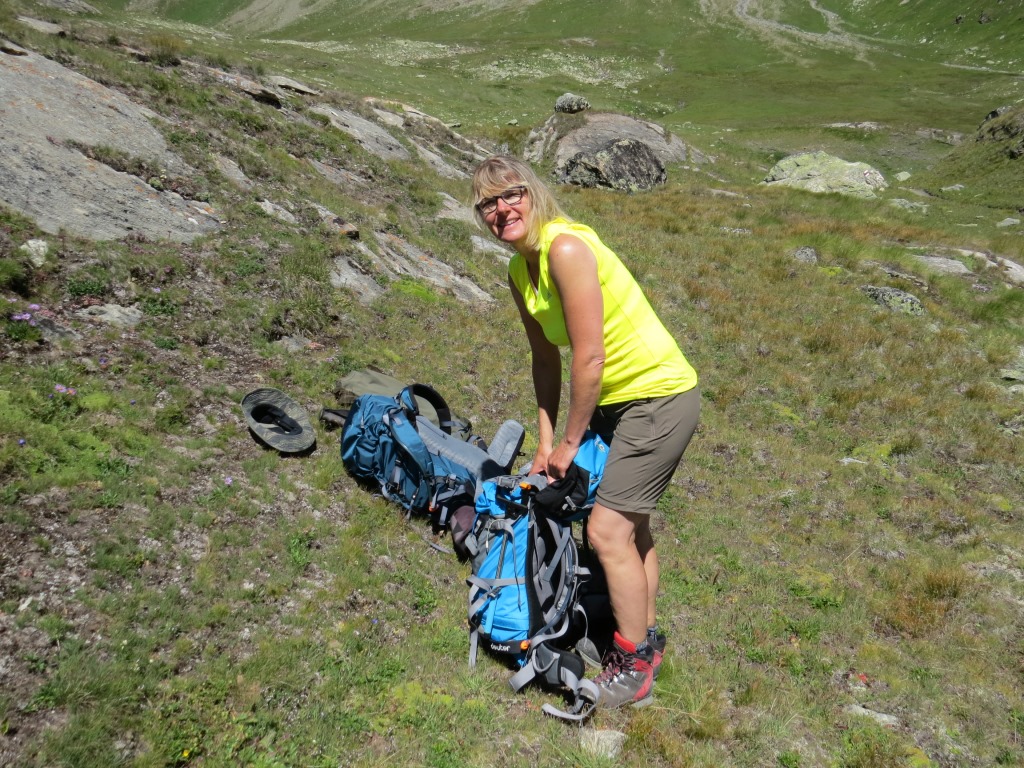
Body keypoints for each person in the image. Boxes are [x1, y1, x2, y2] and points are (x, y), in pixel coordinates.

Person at [471, 156, 700, 708]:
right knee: (630, 526)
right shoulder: (521, 271)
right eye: (488, 203)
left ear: (533, 194)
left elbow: (589, 358)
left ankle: (632, 668)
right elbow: (545, 359)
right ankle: (644, 638)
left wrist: (572, 443)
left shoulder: (566, 249)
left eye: (512, 194)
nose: (502, 210)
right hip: (615, 403)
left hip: (657, 396)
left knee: (606, 532)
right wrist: (545, 441)